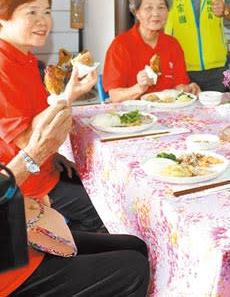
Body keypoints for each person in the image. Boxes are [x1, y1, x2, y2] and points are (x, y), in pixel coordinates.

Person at [1, 102, 150, 296]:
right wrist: (35, 154)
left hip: (18, 233)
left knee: (136, 245)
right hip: (9, 277)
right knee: (134, 268)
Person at [0, 0, 102, 233]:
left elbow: (34, 116)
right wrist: (68, 95)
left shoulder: (26, 58)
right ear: (3, 17)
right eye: (31, 12)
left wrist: (55, 155)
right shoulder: (3, 67)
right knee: (107, 206)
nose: (42, 20)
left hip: (44, 169)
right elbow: (27, 141)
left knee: (100, 180)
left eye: (46, 11)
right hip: (26, 187)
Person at [103, 0, 201, 102]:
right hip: (135, 114)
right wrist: (139, 88)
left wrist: (188, 89)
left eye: (161, 7)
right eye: (148, 8)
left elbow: (178, 86)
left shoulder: (172, 44)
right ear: (137, 13)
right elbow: (114, 96)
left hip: (169, 112)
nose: (155, 14)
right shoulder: (120, 45)